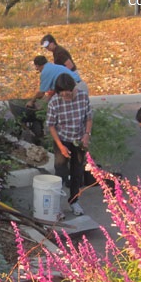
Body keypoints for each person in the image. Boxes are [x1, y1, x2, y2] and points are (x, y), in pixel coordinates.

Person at [45, 73, 92, 217]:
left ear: (73, 88)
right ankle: (56, 205)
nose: (66, 96)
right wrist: (60, 146)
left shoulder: (83, 97)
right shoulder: (55, 102)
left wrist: (86, 135)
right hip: (62, 139)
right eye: (62, 94)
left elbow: (88, 117)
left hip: (78, 139)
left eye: (68, 93)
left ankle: (74, 201)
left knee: (77, 172)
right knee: (60, 172)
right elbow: (51, 126)